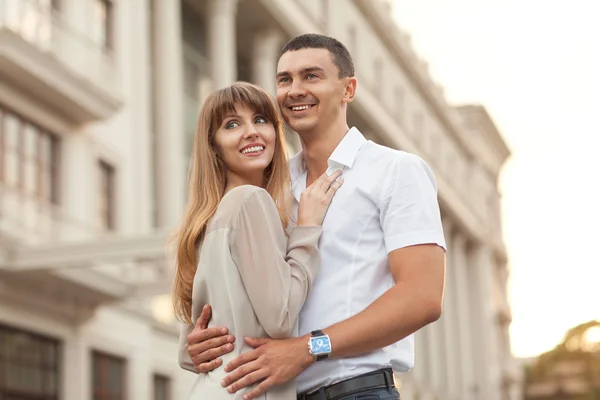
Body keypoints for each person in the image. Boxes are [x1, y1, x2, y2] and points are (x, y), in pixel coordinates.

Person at [184, 34, 447, 400]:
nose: (294, 90)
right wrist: (198, 344)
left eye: (311, 76)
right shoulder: (269, 187)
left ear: (348, 89)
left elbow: (421, 298)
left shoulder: (395, 171)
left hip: (357, 392)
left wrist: (307, 348)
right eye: (284, 79)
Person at [173, 81, 343, 399]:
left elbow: (194, 341)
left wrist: (188, 349)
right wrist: (307, 230)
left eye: (260, 120)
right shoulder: (250, 201)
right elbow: (279, 319)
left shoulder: (206, 219)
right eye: (232, 124)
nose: (251, 132)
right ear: (214, 146)